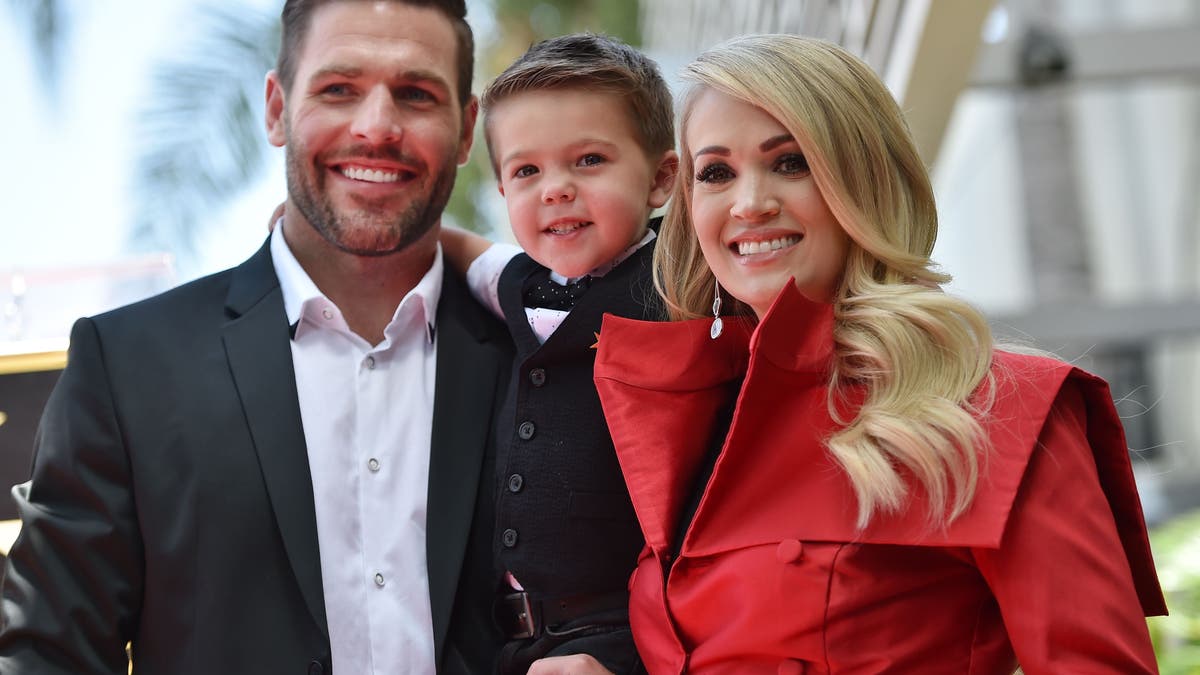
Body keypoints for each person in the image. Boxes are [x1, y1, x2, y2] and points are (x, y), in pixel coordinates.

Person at [590, 35, 1168, 673]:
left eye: (791, 162)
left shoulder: (1003, 407)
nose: (749, 203)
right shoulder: (684, 416)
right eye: (717, 173)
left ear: (862, 180)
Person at [0, 1, 512, 673]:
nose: (377, 126)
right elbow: (47, 652)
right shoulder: (128, 368)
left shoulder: (534, 354)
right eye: (339, 89)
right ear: (275, 108)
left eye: (415, 94)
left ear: (467, 127)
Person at [439, 33, 676, 675]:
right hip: (509, 642)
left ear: (660, 178)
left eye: (589, 160)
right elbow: (464, 254)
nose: (555, 189)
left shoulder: (681, 282)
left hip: (624, 632)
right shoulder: (521, 282)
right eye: (526, 171)